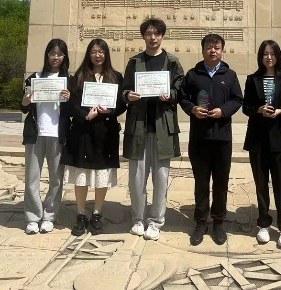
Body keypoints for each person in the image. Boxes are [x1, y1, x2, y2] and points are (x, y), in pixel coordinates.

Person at [121, 18, 185, 241]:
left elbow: (180, 90)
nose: (153, 37)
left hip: (162, 129)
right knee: (136, 179)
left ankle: (156, 221)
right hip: (138, 127)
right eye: (148, 33)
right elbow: (124, 89)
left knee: (161, 178)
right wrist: (128, 95)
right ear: (143, 36)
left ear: (162, 36)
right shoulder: (135, 62)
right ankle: (138, 219)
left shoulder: (172, 62)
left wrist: (171, 95)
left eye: (157, 33)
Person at [180, 34, 244, 246]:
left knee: (221, 183)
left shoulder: (230, 75)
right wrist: (192, 109)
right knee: (201, 182)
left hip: (222, 138)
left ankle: (218, 222)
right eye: (209, 47)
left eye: (217, 47)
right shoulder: (193, 74)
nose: (213, 51)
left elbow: (237, 99)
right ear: (203, 50)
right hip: (199, 138)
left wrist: (223, 111)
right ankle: (200, 222)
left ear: (222, 51)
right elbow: (183, 97)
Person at [64, 38, 126, 236]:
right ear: (88, 54)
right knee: (81, 174)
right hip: (83, 131)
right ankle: (81, 213)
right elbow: (71, 103)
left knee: (101, 175)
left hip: (105, 133)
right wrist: (85, 115)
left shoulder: (116, 76)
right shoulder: (79, 76)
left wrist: (111, 110)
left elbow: (122, 104)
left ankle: (97, 213)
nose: (97, 55)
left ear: (106, 54)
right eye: (94, 52)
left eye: (101, 52)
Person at [242, 40, 281, 248]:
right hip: (258, 138)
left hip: (280, 138)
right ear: (260, 56)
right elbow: (246, 107)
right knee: (261, 184)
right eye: (265, 53)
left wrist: (280, 111)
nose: (269, 57)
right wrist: (259, 110)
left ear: (278, 56)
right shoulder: (252, 79)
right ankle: (263, 223)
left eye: (273, 53)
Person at [21, 38, 72, 235]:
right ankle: (33, 217)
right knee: (32, 178)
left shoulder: (69, 80)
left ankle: (49, 216)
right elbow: (23, 107)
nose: (55, 57)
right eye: (52, 53)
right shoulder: (34, 78)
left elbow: (74, 109)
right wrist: (26, 100)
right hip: (36, 134)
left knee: (56, 179)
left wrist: (69, 99)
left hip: (58, 135)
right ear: (47, 55)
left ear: (64, 57)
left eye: (60, 54)